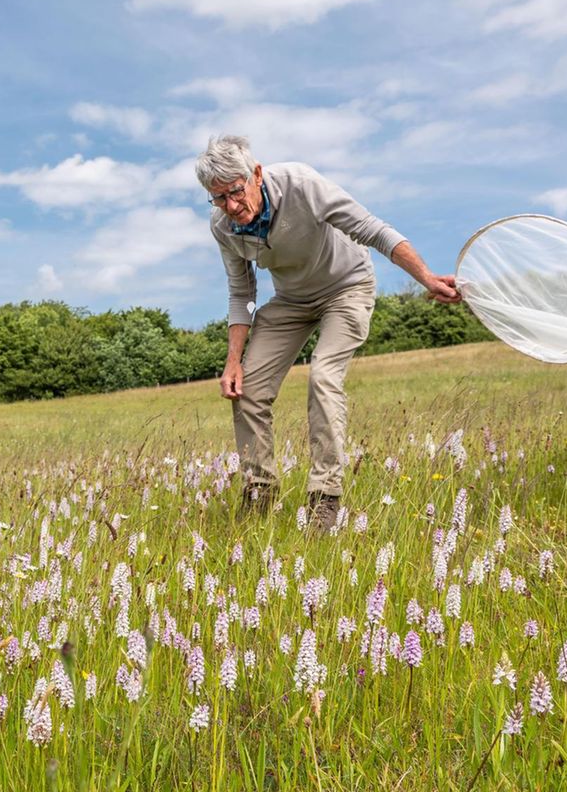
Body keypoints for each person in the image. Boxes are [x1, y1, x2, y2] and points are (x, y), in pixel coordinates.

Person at [197, 135, 461, 531]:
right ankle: (260, 494)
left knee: (323, 376)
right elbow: (242, 293)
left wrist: (425, 277)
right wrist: (233, 361)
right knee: (247, 387)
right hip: (292, 301)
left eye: (236, 192)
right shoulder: (225, 227)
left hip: (346, 288)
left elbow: (374, 230)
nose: (231, 207)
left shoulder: (302, 184)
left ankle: (325, 499)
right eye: (219, 199)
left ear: (256, 174)